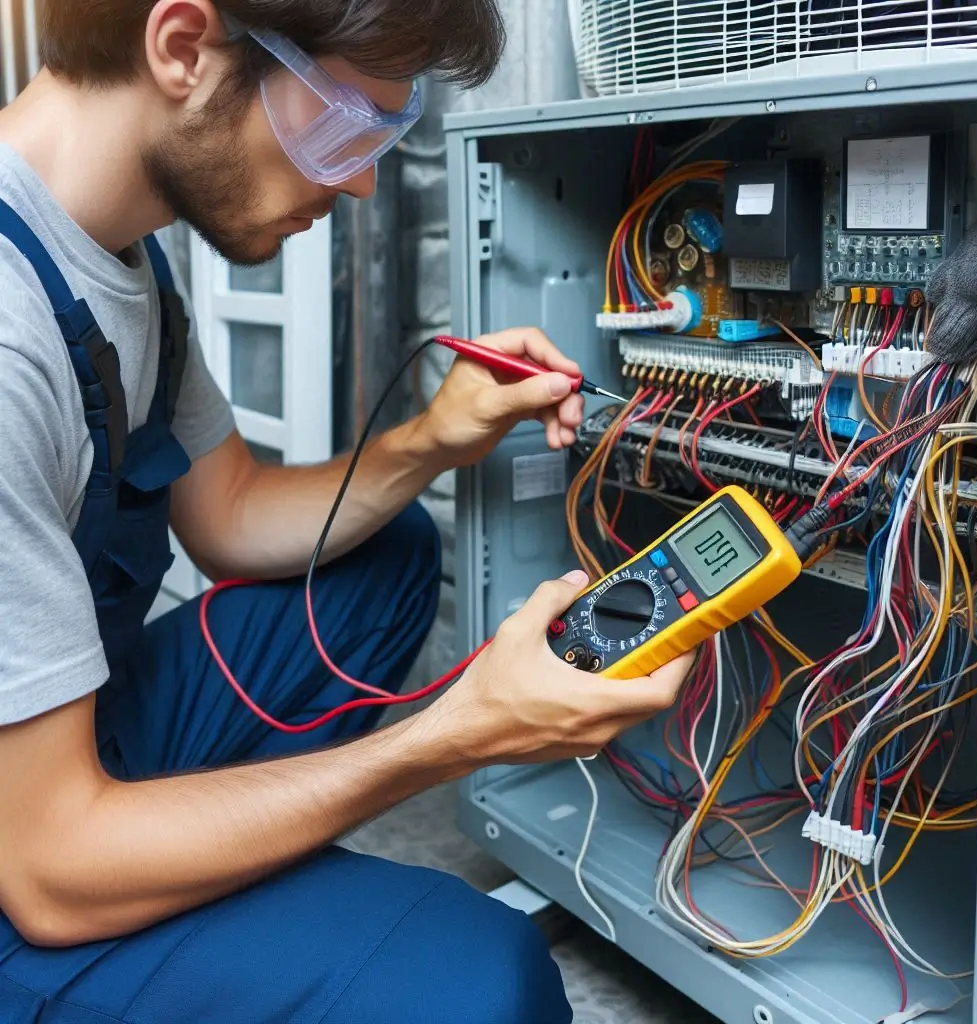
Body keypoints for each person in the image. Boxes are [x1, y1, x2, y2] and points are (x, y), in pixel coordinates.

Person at [0, 2, 695, 1021]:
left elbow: (229, 512)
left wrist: (430, 438)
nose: (362, 179)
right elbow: (48, 871)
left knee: (385, 557)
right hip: (33, 857)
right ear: (183, 48)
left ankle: (209, 888)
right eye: (345, 124)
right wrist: (449, 737)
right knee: (477, 977)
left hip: (53, 755)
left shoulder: (115, 255)